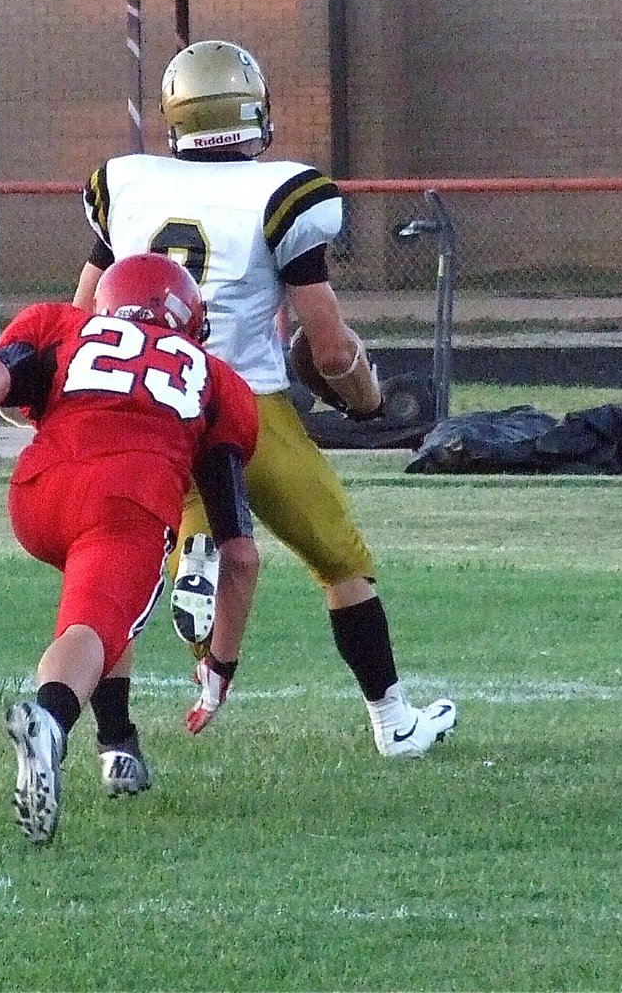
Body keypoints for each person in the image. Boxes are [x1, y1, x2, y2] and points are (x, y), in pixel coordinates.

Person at [74, 39, 456, 760]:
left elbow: (85, 311)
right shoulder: (283, 193)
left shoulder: (125, 184)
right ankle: (392, 721)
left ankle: (191, 560)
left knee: (135, 553)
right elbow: (332, 347)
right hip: (247, 401)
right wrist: (366, 400)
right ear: (253, 109)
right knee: (341, 561)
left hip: (150, 403)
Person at [0, 253, 259, 844]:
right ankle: (51, 721)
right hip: (127, 501)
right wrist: (220, 664)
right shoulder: (218, 382)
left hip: (38, 496)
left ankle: (117, 746)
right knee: (92, 627)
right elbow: (240, 556)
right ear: (190, 321)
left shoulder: (61, 325)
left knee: (108, 610)